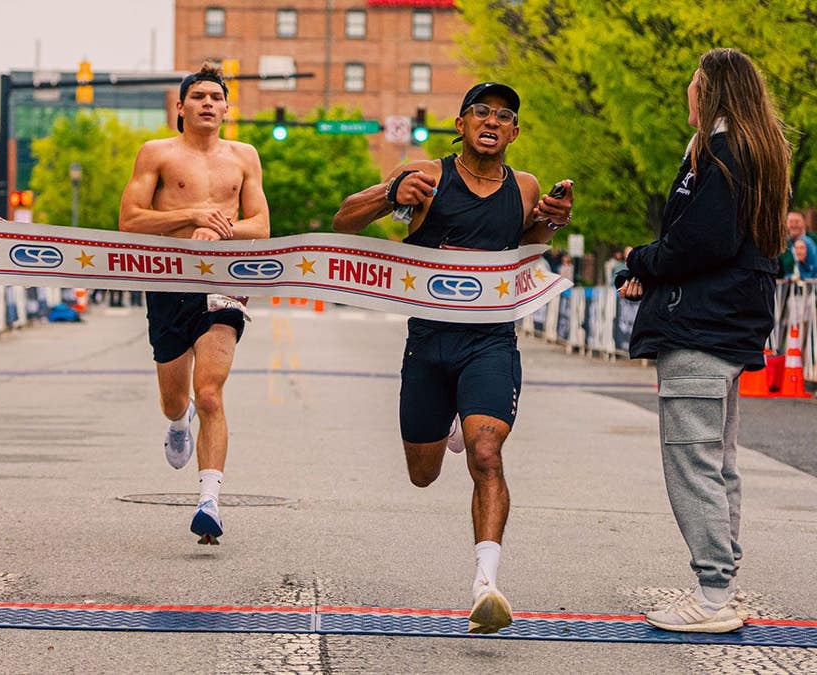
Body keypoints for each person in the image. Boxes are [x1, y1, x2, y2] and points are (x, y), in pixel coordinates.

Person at [332, 82, 574, 633]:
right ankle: (452, 424)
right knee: (423, 473)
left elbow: (529, 241)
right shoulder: (429, 176)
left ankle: (486, 584)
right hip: (429, 343)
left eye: (504, 115)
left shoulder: (526, 184)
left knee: (486, 455)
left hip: (490, 341)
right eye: (480, 112)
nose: (492, 120)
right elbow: (345, 220)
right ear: (460, 124)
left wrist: (553, 218)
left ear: (514, 132)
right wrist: (391, 193)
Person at [618, 48, 790, 633]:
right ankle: (722, 583)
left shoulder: (719, 154)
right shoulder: (760, 152)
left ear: (712, 90)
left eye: (694, 83)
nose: (687, 93)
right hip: (728, 322)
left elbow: (702, 241)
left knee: (692, 461)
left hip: (700, 325)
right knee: (718, 462)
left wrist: (641, 260)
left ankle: (713, 592)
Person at [118, 64, 270, 544]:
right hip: (167, 282)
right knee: (175, 399)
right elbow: (129, 221)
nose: (208, 103)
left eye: (216, 97)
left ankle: (210, 502)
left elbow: (261, 225)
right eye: (198, 96)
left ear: (227, 108)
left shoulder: (244, 157)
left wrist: (219, 227)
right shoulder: (156, 153)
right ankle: (176, 422)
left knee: (210, 393)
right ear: (180, 107)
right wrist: (190, 215)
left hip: (223, 282)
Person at [779, 210, 816, 280]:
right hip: (787, 288)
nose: (793, 225)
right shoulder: (782, 244)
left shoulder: (813, 240)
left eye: (797, 222)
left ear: (804, 222)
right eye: (790, 222)